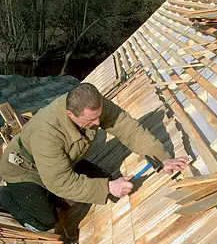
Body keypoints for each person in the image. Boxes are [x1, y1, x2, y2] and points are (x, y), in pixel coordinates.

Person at [0, 83, 188, 231]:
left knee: (106, 182)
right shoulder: (47, 134)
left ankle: (52, 196)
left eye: (98, 116)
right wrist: (107, 187)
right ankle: (4, 196)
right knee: (45, 221)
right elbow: (58, 181)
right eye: (91, 120)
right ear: (70, 114)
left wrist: (161, 158)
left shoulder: (91, 105)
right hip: (24, 169)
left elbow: (127, 128)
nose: (98, 123)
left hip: (60, 161)